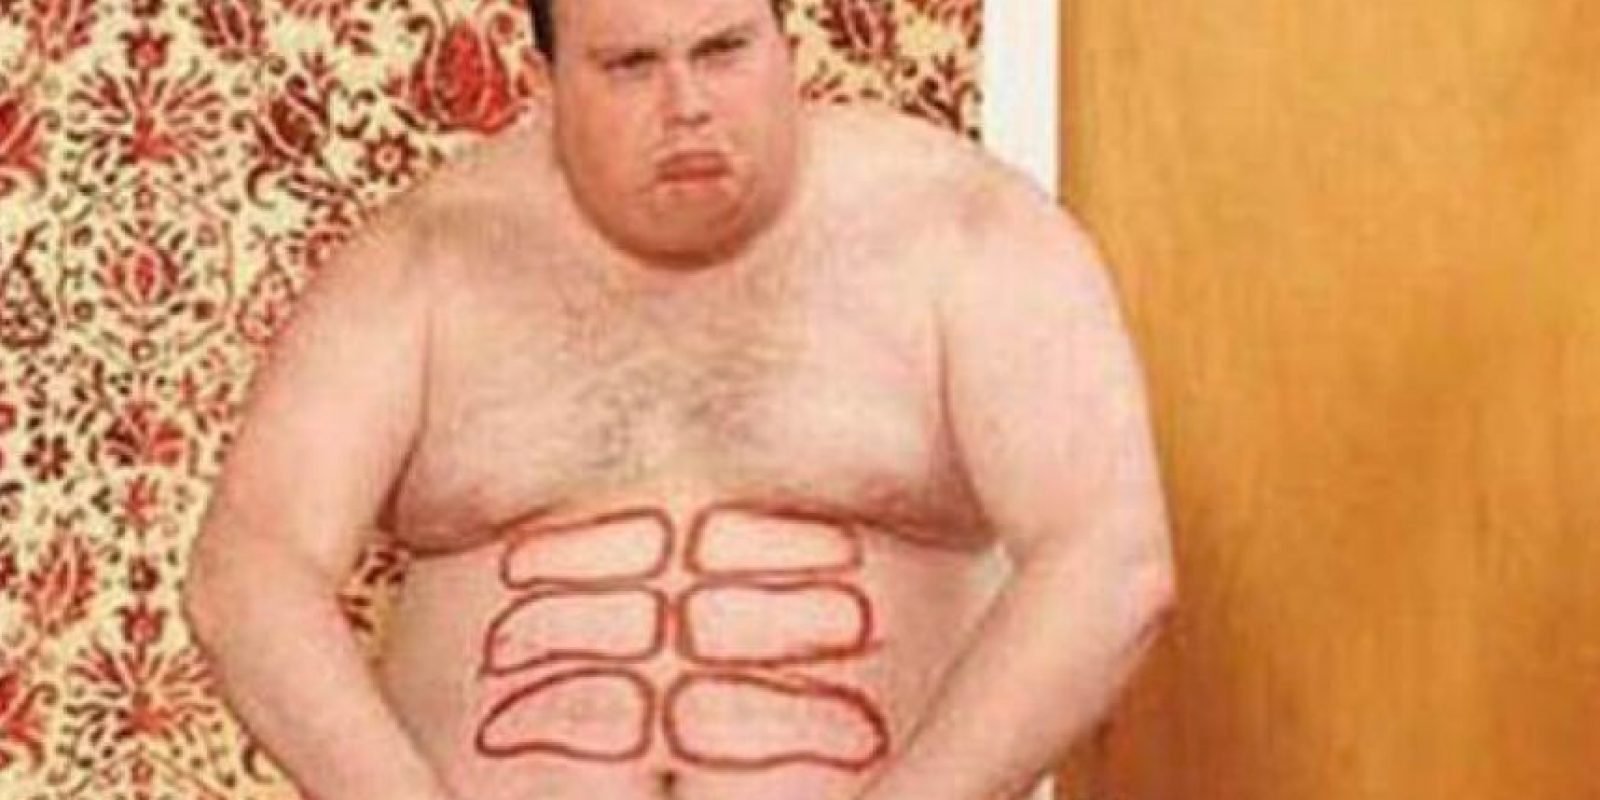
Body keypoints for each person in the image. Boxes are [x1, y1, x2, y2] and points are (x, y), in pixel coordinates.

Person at [182, 0, 1175, 798]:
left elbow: (1111, 560)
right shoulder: (428, 259)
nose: (687, 103)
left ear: (786, 42)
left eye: (724, 49)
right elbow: (251, 570)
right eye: (629, 65)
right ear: (546, 83)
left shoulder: (964, 231)